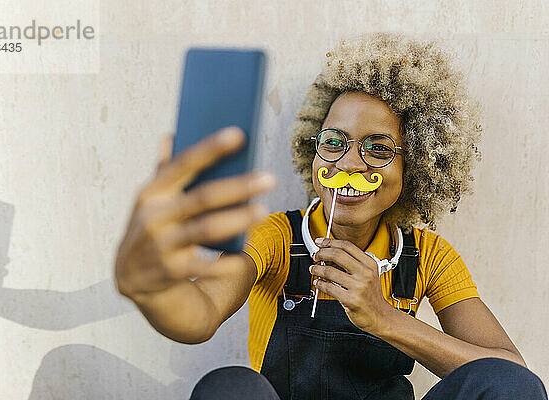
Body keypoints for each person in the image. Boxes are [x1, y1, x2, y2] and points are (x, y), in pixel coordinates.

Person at [114, 33, 547, 399]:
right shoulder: (276, 236)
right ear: (313, 148)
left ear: (412, 167)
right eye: (334, 141)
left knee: (505, 384)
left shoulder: (427, 256)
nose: (350, 165)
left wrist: (385, 318)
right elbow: (200, 313)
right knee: (230, 386)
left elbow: (514, 376)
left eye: (378, 148)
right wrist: (149, 287)